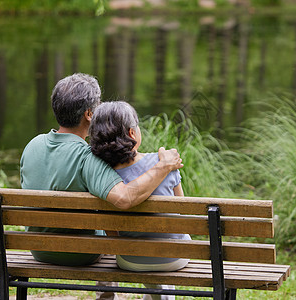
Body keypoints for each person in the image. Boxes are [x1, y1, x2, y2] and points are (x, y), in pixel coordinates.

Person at [20, 73, 183, 299]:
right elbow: (125, 198)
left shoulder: (32, 146)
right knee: (109, 224)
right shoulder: (88, 158)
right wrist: (163, 166)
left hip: (38, 248)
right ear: (89, 114)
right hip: (79, 254)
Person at [89, 101, 190, 300]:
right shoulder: (165, 162)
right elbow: (184, 214)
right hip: (174, 257)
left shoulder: (103, 178)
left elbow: (111, 233)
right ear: (132, 134)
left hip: (129, 259)